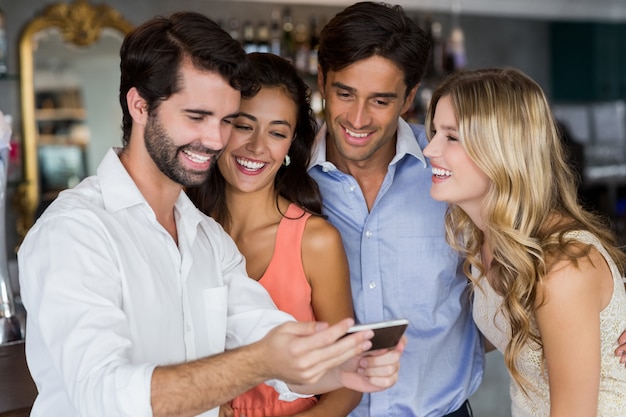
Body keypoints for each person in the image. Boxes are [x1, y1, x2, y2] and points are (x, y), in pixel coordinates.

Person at [17, 12, 404, 417]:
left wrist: (346, 366)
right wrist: (261, 361)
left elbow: (270, 341)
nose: (215, 139)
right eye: (197, 117)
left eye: (224, 120)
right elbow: (106, 395)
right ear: (140, 106)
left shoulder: (206, 238)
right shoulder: (74, 232)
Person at [309, 3, 483, 416]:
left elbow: (539, 246)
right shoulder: (280, 177)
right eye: (344, 93)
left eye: (380, 100)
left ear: (408, 97)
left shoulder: (454, 169)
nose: (357, 118)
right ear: (321, 82)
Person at [423, 67, 626, 416]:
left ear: (501, 151)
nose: (429, 150)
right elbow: (502, 329)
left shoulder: (561, 269)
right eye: (434, 133)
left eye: (451, 137)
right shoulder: (484, 241)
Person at [187, 52, 361, 417]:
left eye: (277, 133)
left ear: (289, 146)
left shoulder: (316, 241)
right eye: (243, 125)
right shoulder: (183, 227)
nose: (257, 147)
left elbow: (347, 381)